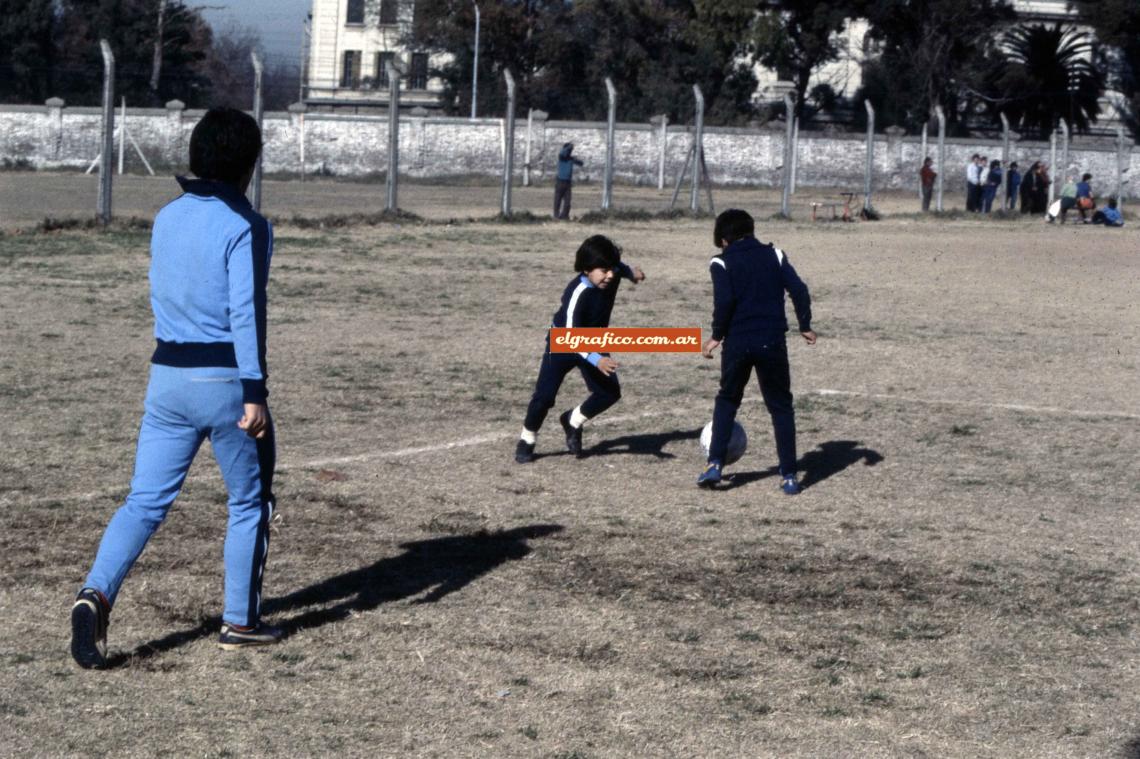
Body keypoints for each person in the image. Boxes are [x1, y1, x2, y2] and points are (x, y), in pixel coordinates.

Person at [70, 107, 280, 669]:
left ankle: (95, 593)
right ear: (249, 165)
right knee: (249, 501)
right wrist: (254, 392)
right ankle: (240, 621)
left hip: (165, 378)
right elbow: (246, 312)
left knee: (144, 501)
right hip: (226, 382)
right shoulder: (248, 226)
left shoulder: (166, 217)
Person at [697, 209, 815, 494]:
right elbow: (799, 289)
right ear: (751, 231)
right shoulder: (775, 255)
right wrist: (805, 325)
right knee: (780, 407)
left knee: (727, 399)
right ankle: (789, 476)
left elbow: (724, 302)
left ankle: (714, 464)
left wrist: (716, 336)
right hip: (772, 342)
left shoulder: (721, 262)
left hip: (738, 342)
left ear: (723, 240)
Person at [515, 235, 645, 463]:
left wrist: (630, 272)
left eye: (611, 269)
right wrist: (596, 360)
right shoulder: (577, 293)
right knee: (544, 397)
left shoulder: (610, 274)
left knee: (609, 393)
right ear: (586, 269)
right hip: (564, 341)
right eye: (604, 270)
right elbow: (570, 335)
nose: (611, 275)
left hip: (594, 340)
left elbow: (618, 266)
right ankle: (527, 438)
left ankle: (572, 420)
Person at [553, 142, 584, 220]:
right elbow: (562, 152)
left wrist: (575, 159)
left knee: (567, 202)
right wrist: (569, 147)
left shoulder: (571, 158)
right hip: (560, 181)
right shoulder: (561, 157)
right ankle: (556, 215)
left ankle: (564, 216)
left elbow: (581, 163)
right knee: (558, 200)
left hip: (568, 183)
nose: (569, 151)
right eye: (569, 150)